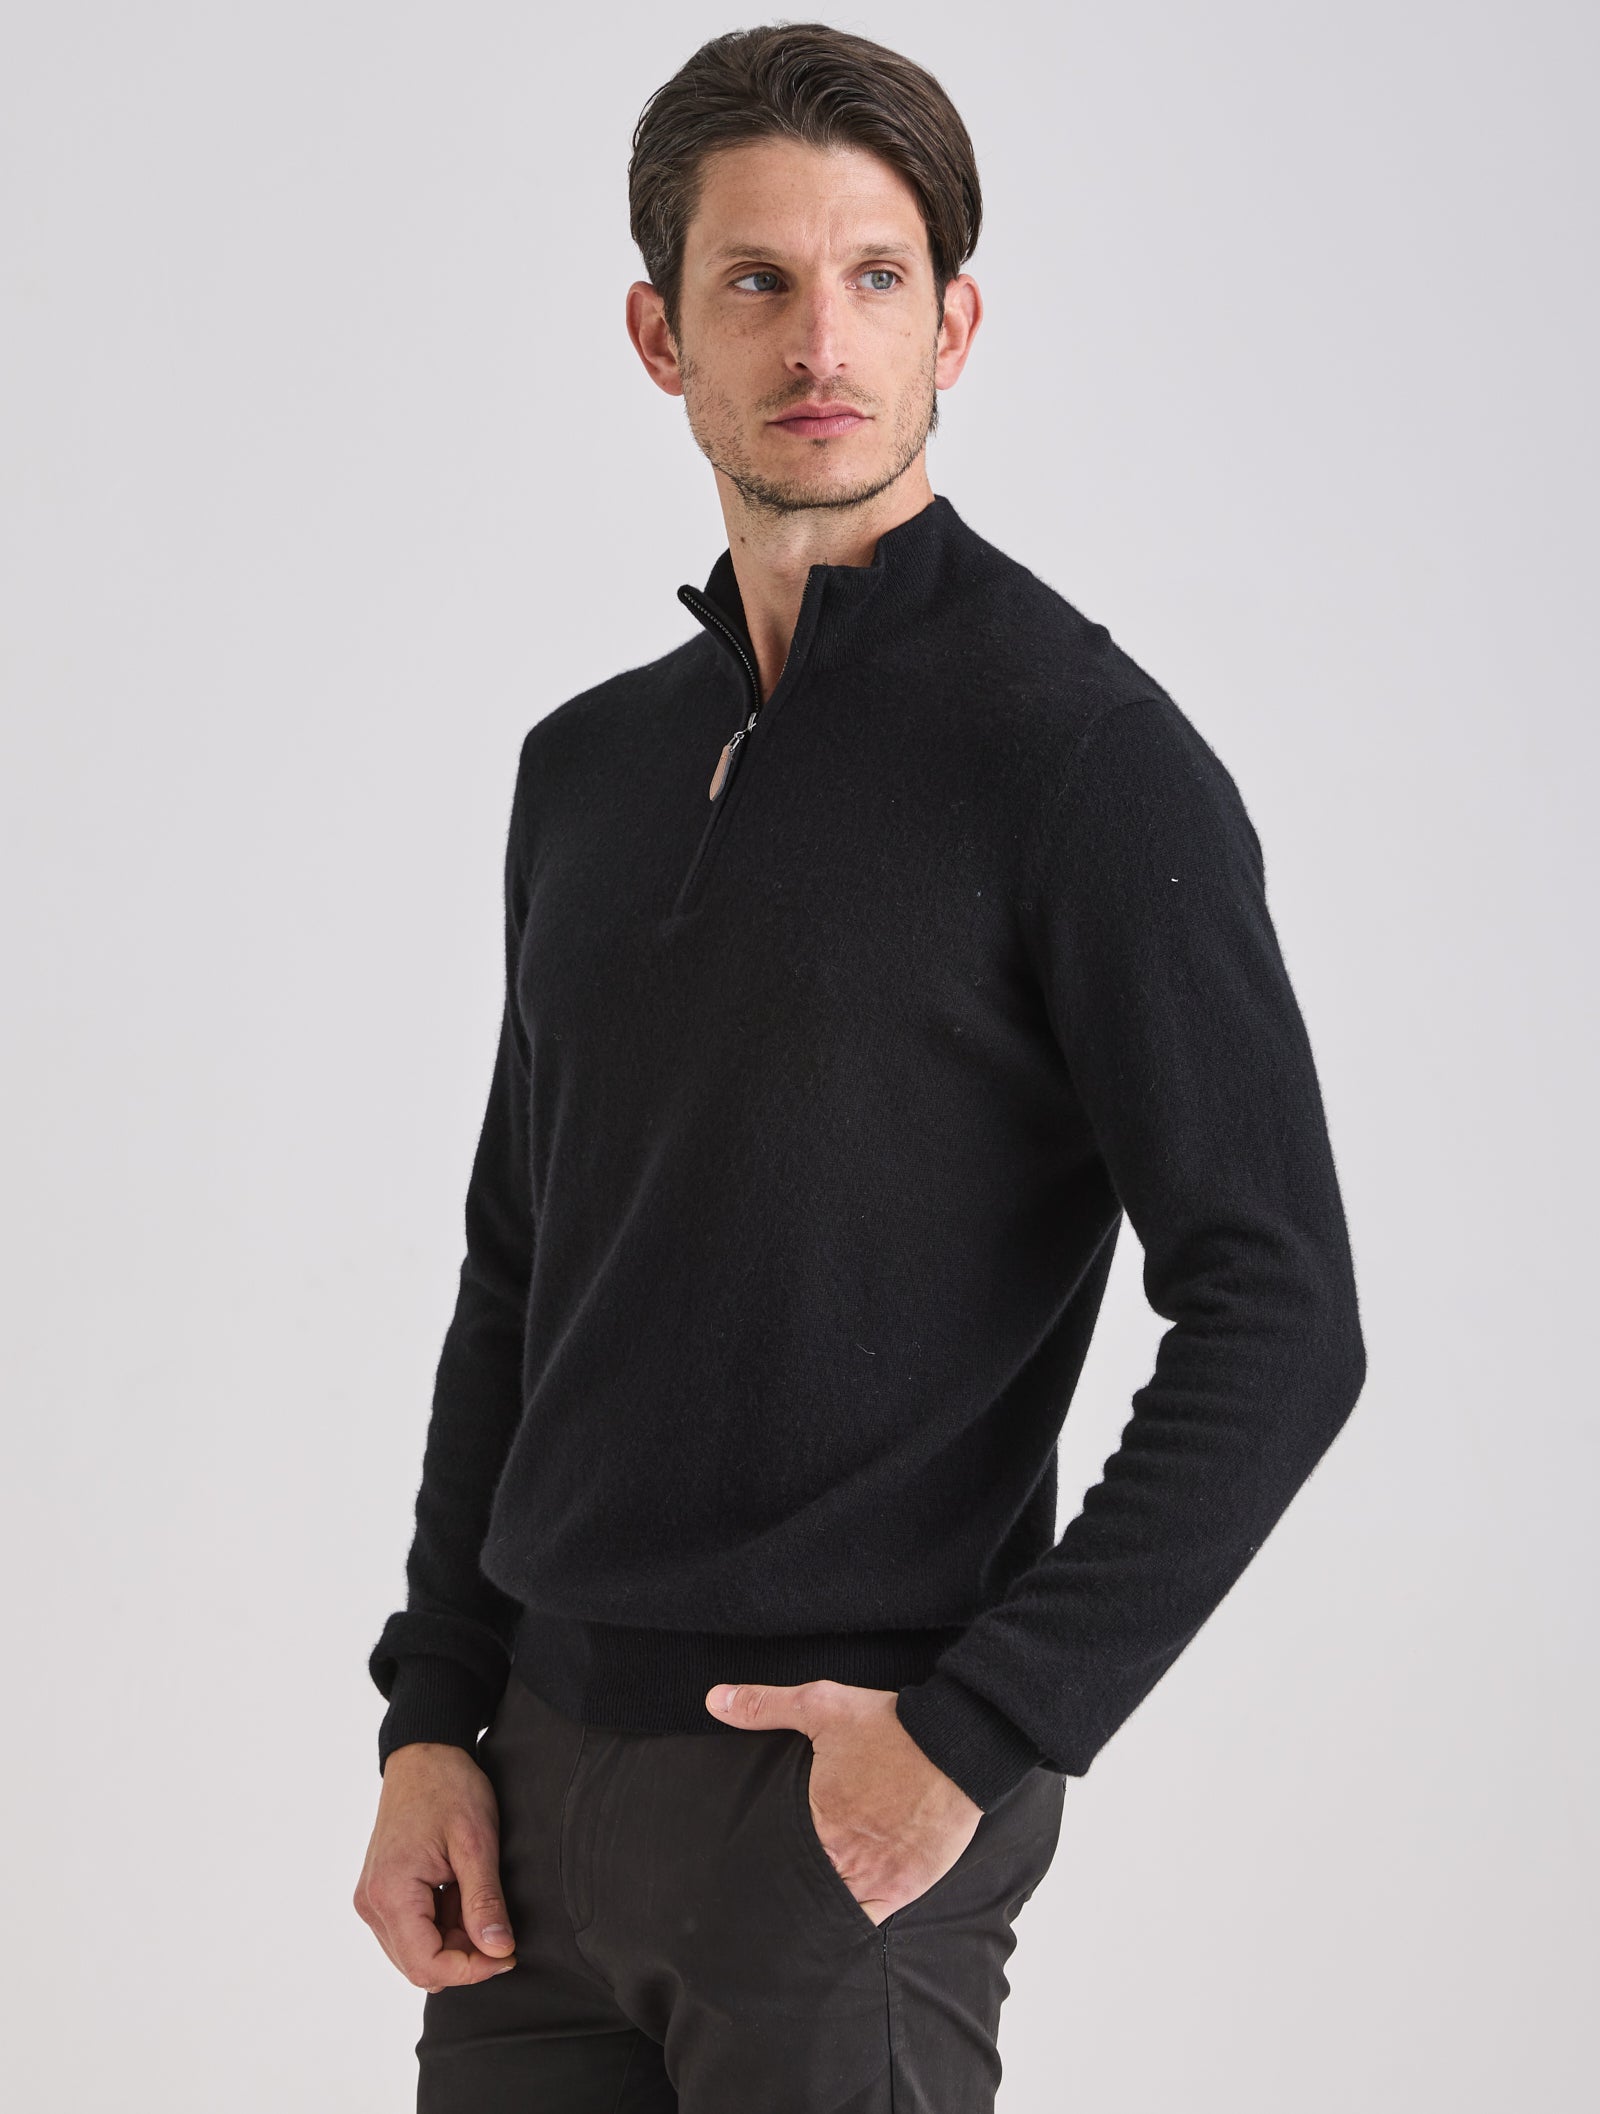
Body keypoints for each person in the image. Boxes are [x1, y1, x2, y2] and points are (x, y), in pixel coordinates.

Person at [353, 22, 1367, 2112]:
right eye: (757, 281)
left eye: (875, 277)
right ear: (661, 336)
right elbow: (519, 1273)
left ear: (952, 325)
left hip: (842, 1813)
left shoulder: (1080, 761)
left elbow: (1280, 1311)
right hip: (535, 1798)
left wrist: (981, 1733)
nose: (821, 339)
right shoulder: (586, 772)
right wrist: (432, 1714)